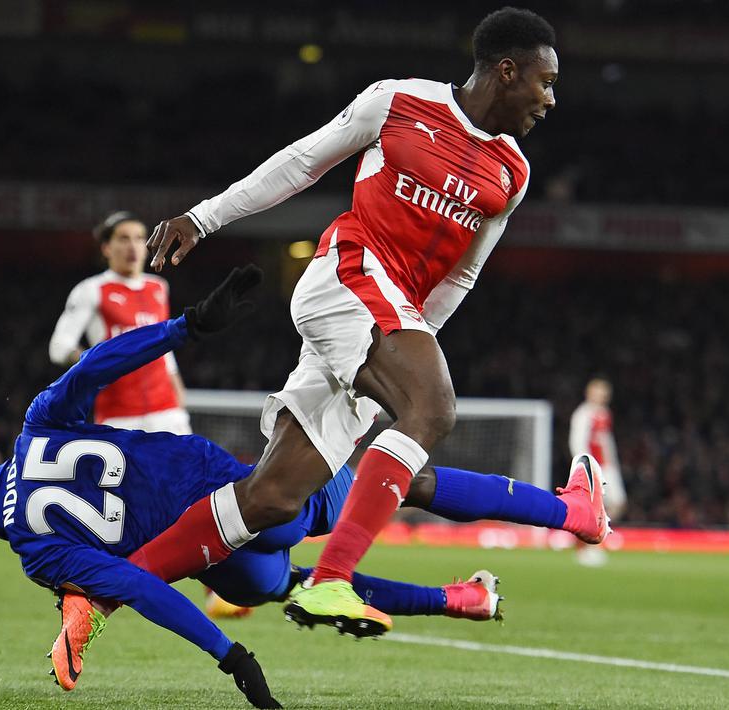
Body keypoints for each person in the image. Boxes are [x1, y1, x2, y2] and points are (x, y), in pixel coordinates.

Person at [0, 265, 605, 702]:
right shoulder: (37, 427)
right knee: (403, 477)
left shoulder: (34, 549)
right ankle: (568, 512)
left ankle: (460, 599)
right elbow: (94, 367)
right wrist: (185, 327)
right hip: (236, 493)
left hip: (212, 565)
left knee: (285, 582)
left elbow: (142, 586)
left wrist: (230, 657)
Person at [135, 7, 594, 637]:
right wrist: (204, 217)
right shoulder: (398, 102)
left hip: (384, 317)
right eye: (544, 82)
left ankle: (104, 591)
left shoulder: (512, 173)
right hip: (344, 275)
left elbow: (461, 275)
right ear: (506, 71)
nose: (549, 99)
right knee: (433, 410)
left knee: (273, 497)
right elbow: (301, 163)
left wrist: (409, 346)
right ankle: (330, 582)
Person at [49, 210, 190, 434]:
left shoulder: (159, 287)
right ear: (106, 248)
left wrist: (178, 388)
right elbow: (58, 347)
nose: (133, 246)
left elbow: (164, 348)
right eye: (123, 238)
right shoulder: (91, 290)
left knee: (185, 469)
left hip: (167, 410)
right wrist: (96, 361)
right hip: (118, 415)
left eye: (139, 238)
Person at [569, 377, 627, 566]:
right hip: (593, 468)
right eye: (599, 393)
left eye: (605, 394)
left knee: (617, 504)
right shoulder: (583, 414)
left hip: (607, 467)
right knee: (592, 508)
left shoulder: (604, 413)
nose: (602, 397)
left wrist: (612, 462)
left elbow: (606, 441)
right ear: (589, 393)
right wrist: (585, 467)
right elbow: (577, 441)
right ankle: (584, 548)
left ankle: (592, 543)